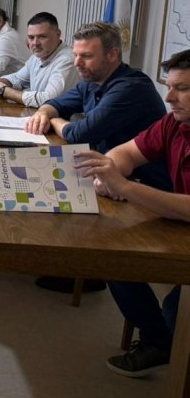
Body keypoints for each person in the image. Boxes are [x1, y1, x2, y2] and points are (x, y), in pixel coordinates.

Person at [74, 49, 190, 378]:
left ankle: (163, 343)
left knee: (178, 311)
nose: (169, 97)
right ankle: (158, 342)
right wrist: (109, 170)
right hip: (178, 225)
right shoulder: (174, 122)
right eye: (169, 87)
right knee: (115, 255)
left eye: (181, 89)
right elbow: (127, 152)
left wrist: (123, 187)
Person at [25, 21, 169, 189]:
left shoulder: (131, 88)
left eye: (86, 56)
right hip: (107, 173)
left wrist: (53, 120)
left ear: (112, 55)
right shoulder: (93, 80)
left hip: (142, 185)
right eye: (75, 55)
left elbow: (79, 134)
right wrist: (43, 112)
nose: (76, 63)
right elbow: (56, 103)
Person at [0, 12, 79, 107]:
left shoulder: (67, 60)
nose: (35, 43)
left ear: (58, 34)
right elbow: (18, 78)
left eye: (42, 37)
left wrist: (4, 91)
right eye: (31, 37)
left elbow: (48, 100)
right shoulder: (38, 55)